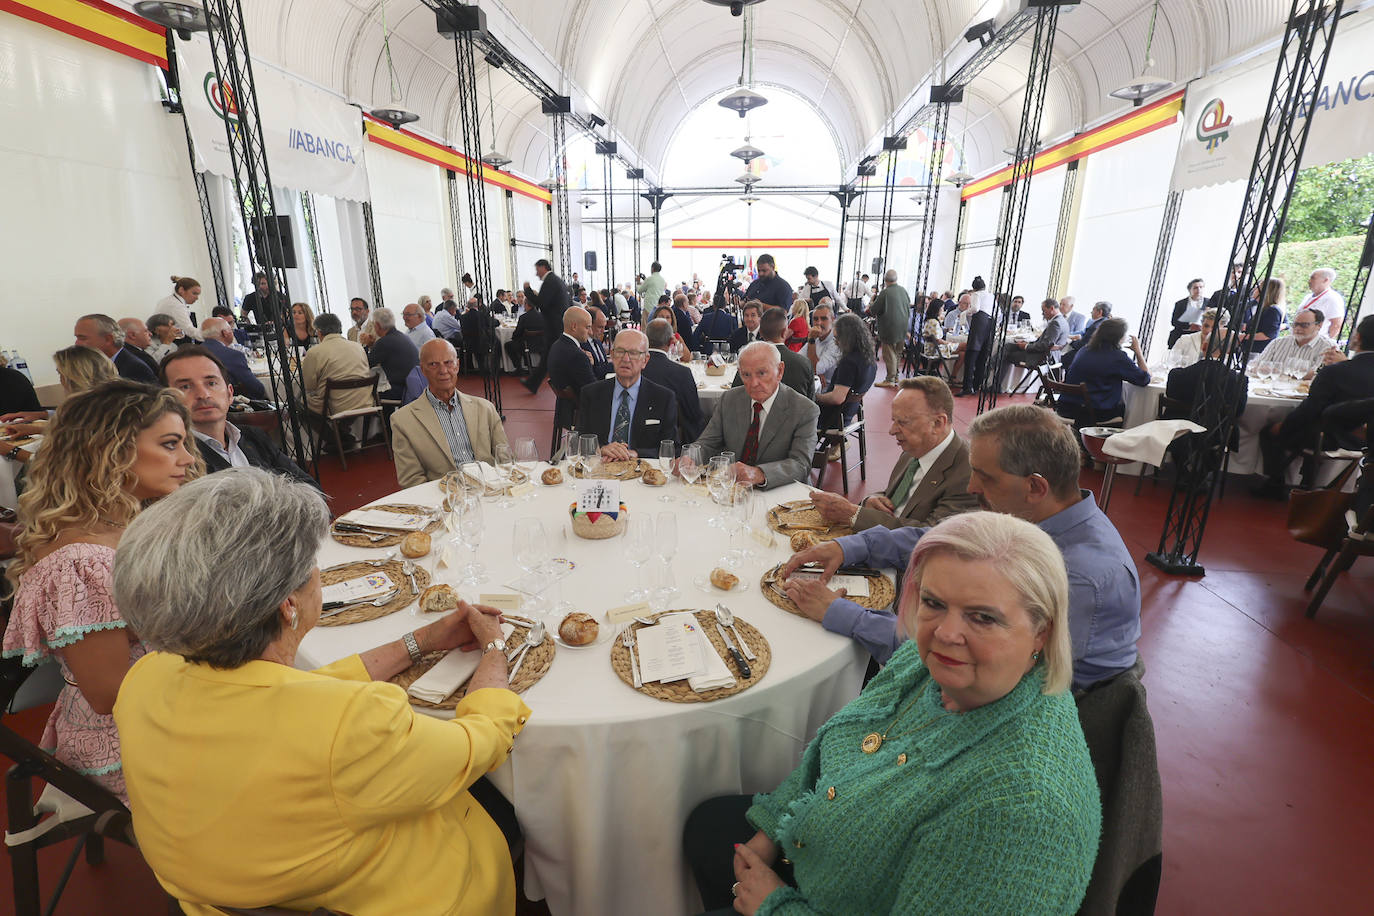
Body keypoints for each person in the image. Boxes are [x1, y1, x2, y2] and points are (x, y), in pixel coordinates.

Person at [109, 469, 527, 915]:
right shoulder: (350, 725)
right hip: (402, 897)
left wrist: (420, 642)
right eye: (313, 565)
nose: (318, 574)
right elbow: (480, 738)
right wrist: (495, 647)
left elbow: (293, 698)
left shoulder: (145, 679)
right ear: (288, 604)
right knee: (517, 802)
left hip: (214, 900)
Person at [684, 510, 1099, 916]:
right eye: (934, 602)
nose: (945, 634)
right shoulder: (931, 666)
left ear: (1041, 632)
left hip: (818, 895)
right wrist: (773, 823)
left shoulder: (1019, 813)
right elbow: (840, 750)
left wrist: (774, 906)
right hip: (822, 850)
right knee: (705, 829)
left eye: (983, 617)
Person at [782, 404, 1141, 691]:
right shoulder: (1034, 519)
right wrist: (848, 547)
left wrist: (841, 613)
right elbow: (943, 537)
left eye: (985, 477)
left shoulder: (1079, 578)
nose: (971, 487)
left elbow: (956, 663)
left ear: (1035, 487)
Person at [2, 381, 199, 803]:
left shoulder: (119, 526)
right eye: (170, 445)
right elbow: (110, 694)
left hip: (167, 708)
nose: (186, 460)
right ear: (110, 450)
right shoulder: (81, 561)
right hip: (135, 741)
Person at [810, 376, 976, 531]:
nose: (892, 431)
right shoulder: (914, 450)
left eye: (903, 422)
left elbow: (930, 536)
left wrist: (854, 514)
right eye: (894, 420)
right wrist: (870, 501)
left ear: (938, 423)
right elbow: (896, 500)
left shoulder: (968, 473)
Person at [1254, 314, 1374, 498]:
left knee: (1270, 430)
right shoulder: (1343, 368)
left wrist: (1284, 426)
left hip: (1327, 438)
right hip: (1365, 441)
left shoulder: (1335, 371)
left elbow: (1309, 410)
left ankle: (1275, 483)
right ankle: (1306, 480)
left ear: (1358, 337)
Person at [161, 347, 314, 485]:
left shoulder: (253, 436)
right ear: (168, 400)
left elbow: (309, 487)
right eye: (185, 387)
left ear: (229, 393)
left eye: (211, 383)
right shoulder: (175, 460)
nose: (203, 394)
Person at [690, 341, 818, 489]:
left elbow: (800, 464)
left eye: (761, 373)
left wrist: (759, 473)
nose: (753, 383)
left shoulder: (804, 409)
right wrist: (690, 457)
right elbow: (708, 442)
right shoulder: (729, 399)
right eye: (746, 375)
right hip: (732, 489)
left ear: (780, 371)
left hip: (780, 493)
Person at [391, 339, 508, 487]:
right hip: (445, 500)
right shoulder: (403, 420)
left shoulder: (485, 409)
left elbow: (505, 460)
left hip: (491, 492)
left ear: (457, 365)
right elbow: (411, 480)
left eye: (448, 363)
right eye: (433, 364)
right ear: (422, 370)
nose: (443, 371)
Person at [575, 329, 678, 460]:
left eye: (634, 353)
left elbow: (672, 448)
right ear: (612, 355)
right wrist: (601, 449)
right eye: (620, 351)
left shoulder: (663, 398)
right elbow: (579, 439)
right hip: (600, 468)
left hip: (642, 473)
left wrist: (636, 453)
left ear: (645, 360)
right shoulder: (591, 393)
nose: (625, 359)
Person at [1057, 318, 1149, 423]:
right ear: (1119, 337)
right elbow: (1144, 379)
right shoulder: (1117, 357)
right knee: (1126, 408)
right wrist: (1138, 351)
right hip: (1091, 413)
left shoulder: (1084, 350)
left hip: (1065, 407)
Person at [729, 308, 814, 401]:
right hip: (797, 414)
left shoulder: (748, 361)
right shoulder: (804, 363)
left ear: (760, 332)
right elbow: (810, 402)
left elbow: (734, 396)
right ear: (784, 332)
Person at [644, 317, 706, 443]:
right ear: (671, 341)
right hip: (673, 439)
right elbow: (693, 413)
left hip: (637, 435)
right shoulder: (682, 373)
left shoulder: (635, 368)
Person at [814, 313, 877, 434]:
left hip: (831, 418)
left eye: (837, 339)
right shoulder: (870, 360)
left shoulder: (849, 363)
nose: (836, 342)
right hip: (847, 415)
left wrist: (814, 396)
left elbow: (837, 398)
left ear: (847, 338)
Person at [522, 259, 572, 393]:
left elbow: (541, 303)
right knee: (549, 355)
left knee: (550, 355)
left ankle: (535, 382)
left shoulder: (549, 281)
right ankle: (533, 383)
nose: (536, 273)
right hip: (558, 324)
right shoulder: (556, 280)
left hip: (554, 325)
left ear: (543, 267)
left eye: (537, 269)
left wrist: (527, 290)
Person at [74, 313, 156, 383]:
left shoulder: (134, 369)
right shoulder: (93, 365)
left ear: (108, 339)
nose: (77, 343)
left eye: (82, 338)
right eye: (77, 338)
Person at [199, 318, 268, 399]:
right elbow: (257, 388)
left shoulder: (194, 353)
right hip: (229, 403)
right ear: (225, 333)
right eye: (231, 330)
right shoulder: (232, 355)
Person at [1254, 307, 1333, 378]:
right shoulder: (1277, 343)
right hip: (1269, 390)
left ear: (1319, 325)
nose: (1298, 328)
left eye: (1304, 325)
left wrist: (1277, 371)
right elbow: (1256, 365)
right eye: (1295, 324)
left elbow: (1317, 375)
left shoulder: (1328, 348)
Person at [1002, 299, 1068, 378]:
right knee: (1009, 346)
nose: (1043, 313)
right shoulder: (1063, 321)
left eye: (1044, 310)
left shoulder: (1055, 323)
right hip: (1052, 356)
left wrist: (1026, 346)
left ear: (1052, 308)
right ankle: (992, 368)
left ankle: (994, 379)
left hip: (1041, 358)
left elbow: (1045, 346)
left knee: (1006, 354)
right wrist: (1027, 344)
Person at [869, 269, 911, 388]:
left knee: (889, 353)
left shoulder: (885, 293)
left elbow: (874, 310)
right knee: (898, 352)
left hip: (889, 327)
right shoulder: (903, 291)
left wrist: (872, 302)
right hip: (903, 326)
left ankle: (890, 379)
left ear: (885, 280)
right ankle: (896, 376)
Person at [366, 307, 420, 396]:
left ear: (378, 325)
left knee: (367, 393)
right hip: (414, 387)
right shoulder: (402, 336)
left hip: (401, 390)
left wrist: (367, 346)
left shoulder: (384, 342)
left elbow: (367, 363)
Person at [547, 305, 598, 398]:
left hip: (565, 408)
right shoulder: (578, 356)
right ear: (574, 327)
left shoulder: (556, 346)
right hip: (584, 408)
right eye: (587, 327)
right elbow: (593, 391)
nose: (590, 332)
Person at [959, 276, 993, 396]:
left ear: (974, 288)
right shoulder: (991, 295)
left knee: (971, 356)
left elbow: (975, 308)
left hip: (979, 324)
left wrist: (964, 313)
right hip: (990, 324)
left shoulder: (976, 295)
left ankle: (967, 386)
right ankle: (976, 385)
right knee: (982, 358)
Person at [1059, 301, 1112, 369]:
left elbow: (1081, 345)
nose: (1091, 312)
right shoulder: (1104, 322)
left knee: (1060, 360)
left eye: (1093, 310)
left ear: (1100, 312)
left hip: (1086, 355)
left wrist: (1070, 341)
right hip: (1094, 355)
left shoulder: (1096, 327)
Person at [1241, 277, 1286, 354]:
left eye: (1259, 286)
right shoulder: (1261, 307)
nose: (1255, 288)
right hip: (1249, 349)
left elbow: (1267, 335)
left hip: (1259, 351)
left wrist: (1242, 336)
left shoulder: (1273, 310)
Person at [1297, 267, 1344, 338]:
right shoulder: (1308, 297)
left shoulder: (1333, 298)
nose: (1309, 281)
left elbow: (1336, 325)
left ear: (1325, 280)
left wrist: (1323, 342)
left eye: (1313, 278)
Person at [503, 296, 545, 373]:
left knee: (508, 345)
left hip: (526, 345)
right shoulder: (543, 316)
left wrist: (513, 337)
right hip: (542, 344)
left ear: (527, 305)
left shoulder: (523, 317)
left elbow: (517, 333)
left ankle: (519, 368)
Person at [155, 276, 204, 341]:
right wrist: (210, 338)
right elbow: (189, 330)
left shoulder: (169, 300)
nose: (197, 298)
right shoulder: (176, 305)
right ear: (181, 290)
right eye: (194, 293)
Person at [803, 300, 840, 387]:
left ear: (833, 320)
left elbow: (815, 369)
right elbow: (798, 359)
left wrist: (811, 340)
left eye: (824, 319)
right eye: (815, 319)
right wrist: (816, 374)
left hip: (826, 392)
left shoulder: (836, 342)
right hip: (812, 384)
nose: (819, 323)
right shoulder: (816, 336)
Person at [1169, 279, 1207, 348]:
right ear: (1190, 290)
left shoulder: (1210, 303)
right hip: (1182, 335)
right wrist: (1189, 325)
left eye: (1201, 287)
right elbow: (1174, 322)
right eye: (1195, 288)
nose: (1199, 290)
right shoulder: (1180, 304)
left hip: (1201, 337)